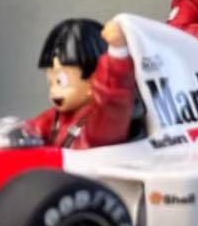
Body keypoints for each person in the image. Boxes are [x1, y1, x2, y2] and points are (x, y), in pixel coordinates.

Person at [24, 18, 137, 149]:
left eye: (61, 82)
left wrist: (117, 53)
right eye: (51, 82)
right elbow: (33, 128)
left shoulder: (101, 123)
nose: (54, 91)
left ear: (94, 79)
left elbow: (112, 103)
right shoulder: (55, 118)